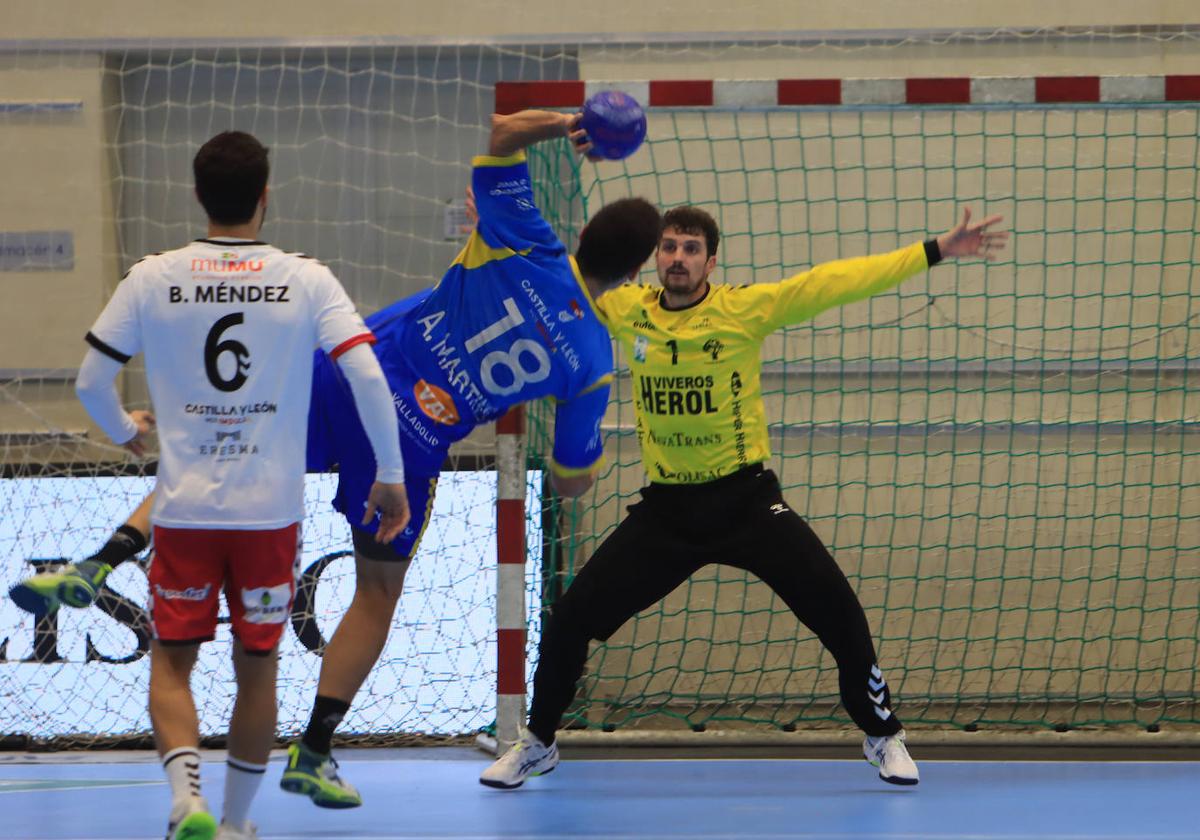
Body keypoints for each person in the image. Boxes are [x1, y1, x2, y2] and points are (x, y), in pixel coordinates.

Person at [11, 109, 663, 810]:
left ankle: (100, 562)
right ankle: (314, 750)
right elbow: (569, 481)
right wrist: (578, 462)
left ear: (582, 233)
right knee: (377, 594)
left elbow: (503, 130)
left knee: (218, 464)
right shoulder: (593, 363)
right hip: (410, 441)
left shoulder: (523, 240)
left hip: (347, 379)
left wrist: (568, 123)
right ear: (634, 272)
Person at [479, 204, 1008, 790]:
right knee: (571, 619)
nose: (677, 258)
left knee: (840, 615)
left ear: (711, 260)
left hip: (749, 504)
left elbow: (832, 282)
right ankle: (539, 743)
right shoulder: (625, 309)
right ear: (653, 257)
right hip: (667, 514)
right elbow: (553, 277)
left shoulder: (743, 310)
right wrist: (495, 231)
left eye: (690, 249)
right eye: (669, 247)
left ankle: (884, 735)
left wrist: (935, 248)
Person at [57, 130, 410, 840]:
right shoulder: (305, 277)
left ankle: (185, 801)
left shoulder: (153, 274)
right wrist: (391, 476)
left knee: (173, 661)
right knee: (258, 667)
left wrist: (127, 428)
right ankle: (235, 824)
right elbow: (367, 374)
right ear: (265, 195)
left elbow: (90, 381)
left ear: (196, 195)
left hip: (184, 512)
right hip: (268, 515)